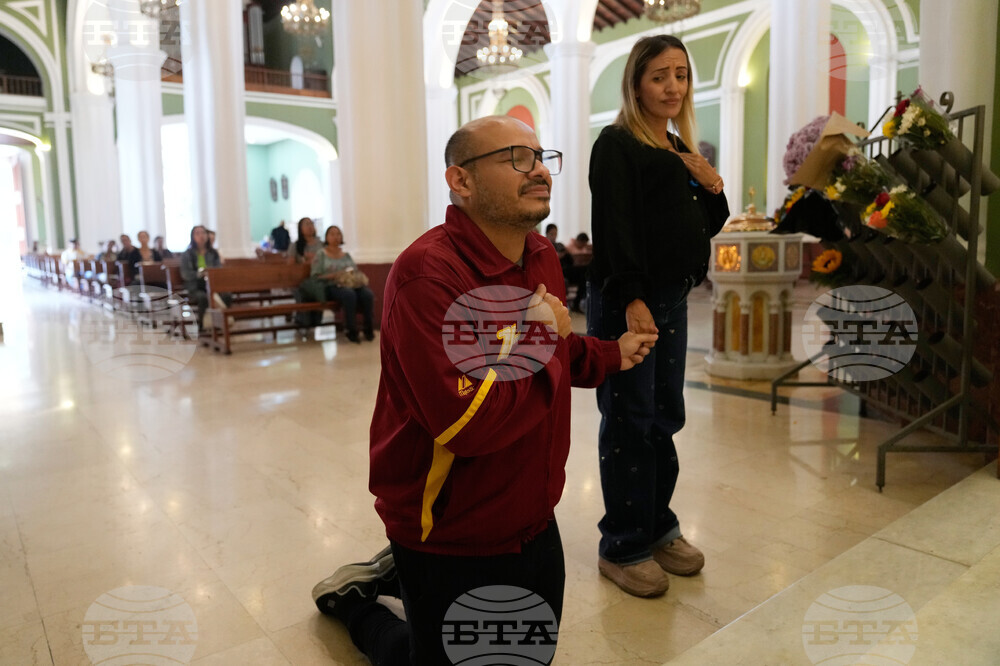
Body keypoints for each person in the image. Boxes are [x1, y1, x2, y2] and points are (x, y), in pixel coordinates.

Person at [310, 116, 657, 665]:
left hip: (532, 512)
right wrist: (544, 333)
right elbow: (469, 424)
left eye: (542, 156)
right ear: (461, 181)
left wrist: (608, 354)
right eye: (516, 157)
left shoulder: (539, 255)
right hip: (450, 529)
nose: (539, 170)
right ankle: (358, 606)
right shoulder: (428, 276)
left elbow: (554, 352)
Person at [587, 35, 729, 598]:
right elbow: (614, 226)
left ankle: (657, 525)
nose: (673, 87)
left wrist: (713, 185)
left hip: (671, 297)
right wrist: (632, 299)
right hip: (632, 300)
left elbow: (704, 223)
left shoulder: (673, 146)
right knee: (629, 419)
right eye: (660, 76)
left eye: (682, 75)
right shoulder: (617, 144)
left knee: (665, 414)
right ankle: (622, 545)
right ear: (636, 83)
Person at [310, 225, 375, 343]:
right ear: (326, 237)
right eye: (332, 234)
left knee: (367, 294)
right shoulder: (321, 254)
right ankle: (351, 330)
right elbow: (315, 276)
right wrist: (335, 275)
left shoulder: (346, 255)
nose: (336, 237)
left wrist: (350, 275)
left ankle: (368, 328)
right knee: (349, 295)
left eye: (338, 234)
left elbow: (353, 270)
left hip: (350, 284)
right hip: (331, 286)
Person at [179, 225, 227, 332]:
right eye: (197, 233)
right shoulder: (187, 254)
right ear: (193, 237)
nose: (201, 235)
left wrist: (209, 272)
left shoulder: (213, 253)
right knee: (202, 297)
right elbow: (185, 274)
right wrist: (200, 274)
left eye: (203, 233)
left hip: (211, 283)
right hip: (195, 286)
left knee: (226, 294)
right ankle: (202, 326)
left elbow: (218, 269)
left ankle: (221, 323)